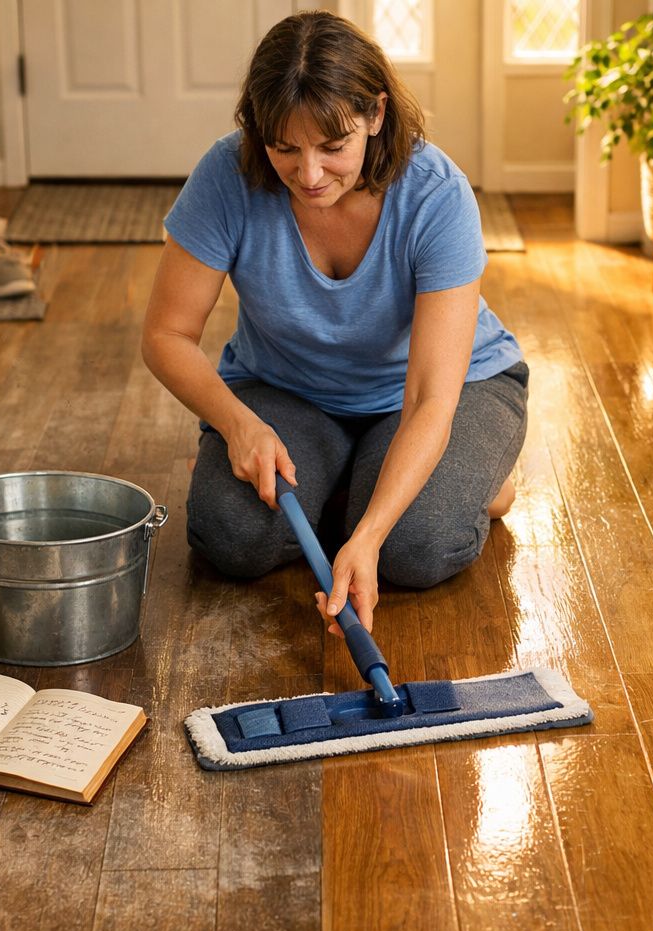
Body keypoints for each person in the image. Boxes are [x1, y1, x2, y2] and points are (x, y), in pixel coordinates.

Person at [141, 10, 527, 638]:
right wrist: (237, 425)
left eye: (333, 146)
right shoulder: (228, 174)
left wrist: (370, 537)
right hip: (289, 390)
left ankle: (469, 479)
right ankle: (353, 473)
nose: (309, 175)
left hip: (444, 394)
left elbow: (432, 396)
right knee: (229, 534)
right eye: (285, 148)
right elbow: (166, 334)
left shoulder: (436, 193)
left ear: (375, 115)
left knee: (416, 546)